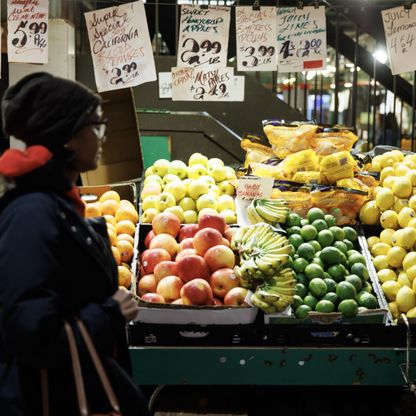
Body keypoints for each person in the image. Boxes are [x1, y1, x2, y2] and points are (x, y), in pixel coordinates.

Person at [0, 72, 150, 416]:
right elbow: (29, 331)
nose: (103, 135)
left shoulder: (56, 202)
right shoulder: (32, 213)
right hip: (51, 398)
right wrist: (112, 311)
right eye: (97, 124)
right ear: (68, 137)